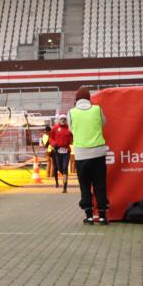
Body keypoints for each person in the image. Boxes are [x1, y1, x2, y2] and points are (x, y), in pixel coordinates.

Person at [68, 87, 109, 225]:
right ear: (89, 98)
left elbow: (71, 129)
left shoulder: (71, 112)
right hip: (98, 152)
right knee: (100, 184)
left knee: (85, 185)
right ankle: (102, 215)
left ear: (77, 99)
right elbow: (104, 123)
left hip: (81, 154)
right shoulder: (97, 109)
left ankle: (89, 215)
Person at [49, 114, 73, 193]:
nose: (63, 120)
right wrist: (54, 144)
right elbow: (51, 138)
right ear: (59, 120)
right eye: (62, 119)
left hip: (66, 151)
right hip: (57, 151)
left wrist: (71, 142)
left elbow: (73, 136)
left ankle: (65, 187)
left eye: (64, 119)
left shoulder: (69, 128)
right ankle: (64, 176)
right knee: (59, 168)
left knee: (65, 168)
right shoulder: (55, 128)